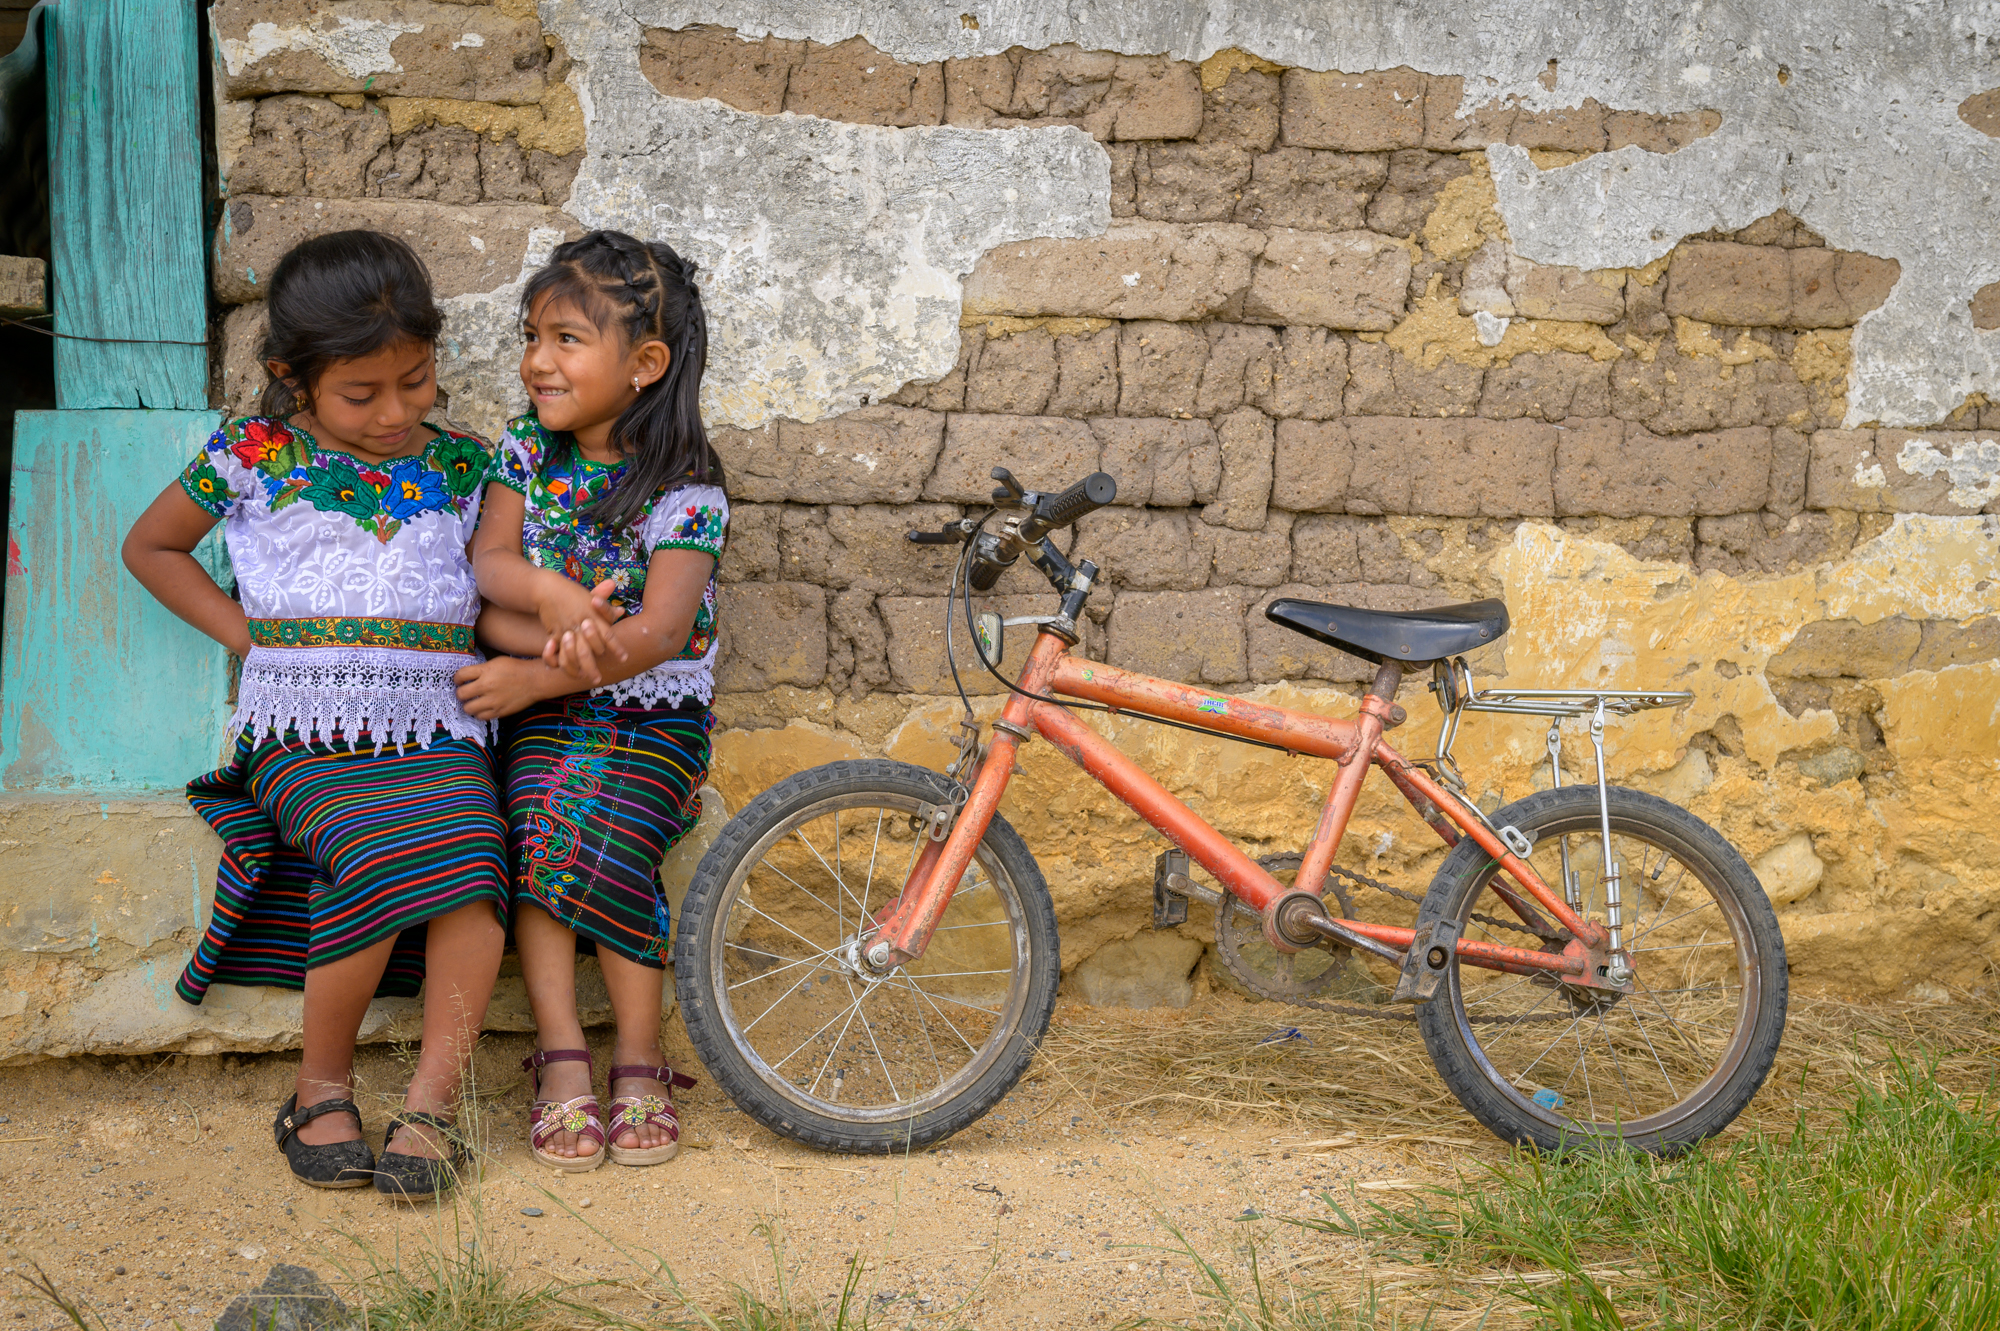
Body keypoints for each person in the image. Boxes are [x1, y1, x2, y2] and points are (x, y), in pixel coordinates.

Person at [122, 231, 508, 1201]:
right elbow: (152, 546)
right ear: (293, 378)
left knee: (476, 862)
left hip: (437, 730)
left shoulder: (468, 466)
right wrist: (248, 637)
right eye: (362, 394)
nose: (395, 411)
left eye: (414, 382)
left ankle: (431, 1102)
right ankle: (318, 1087)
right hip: (302, 733)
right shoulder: (253, 453)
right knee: (370, 853)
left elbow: (499, 586)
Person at [453, 229, 724, 1172]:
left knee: (618, 836)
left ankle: (641, 1056)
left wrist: (537, 671)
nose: (537, 361)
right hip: (554, 712)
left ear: (645, 363)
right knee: (537, 827)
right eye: (532, 336)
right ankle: (564, 1056)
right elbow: (488, 572)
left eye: (566, 339)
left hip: (656, 711)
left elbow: (660, 635)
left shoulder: (687, 485)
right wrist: (556, 604)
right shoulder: (528, 449)